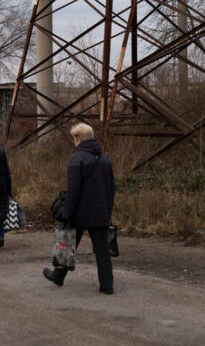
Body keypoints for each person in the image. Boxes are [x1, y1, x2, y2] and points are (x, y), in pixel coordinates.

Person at [43, 123, 115, 294]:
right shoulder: (105, 160)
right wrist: (108, 211)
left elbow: (73, 190)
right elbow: (111, 188)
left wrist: (67, 211)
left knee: (66, 242)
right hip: (100, 212)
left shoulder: (77, 159)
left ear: (78, 139)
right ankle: (107, 286)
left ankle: (58, 276)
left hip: (80, 211)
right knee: (102, 250)